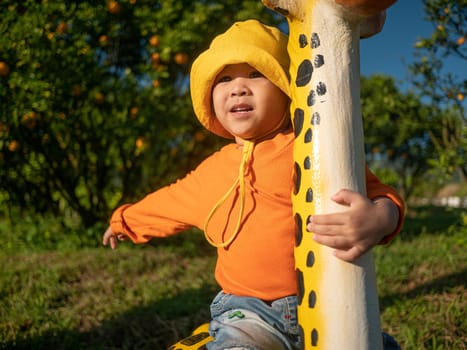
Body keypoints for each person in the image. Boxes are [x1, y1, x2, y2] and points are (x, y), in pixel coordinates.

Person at [103, 19, 405, 350]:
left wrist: (381, 218)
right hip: (247, 311)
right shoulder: (213, 170)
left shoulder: (312, 145)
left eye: (256, 74)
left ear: (287, 88)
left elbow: (377, 192)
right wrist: (124, 221)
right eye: (225, 78)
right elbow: (169, 203)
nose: (238, 88)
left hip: (328, 303)